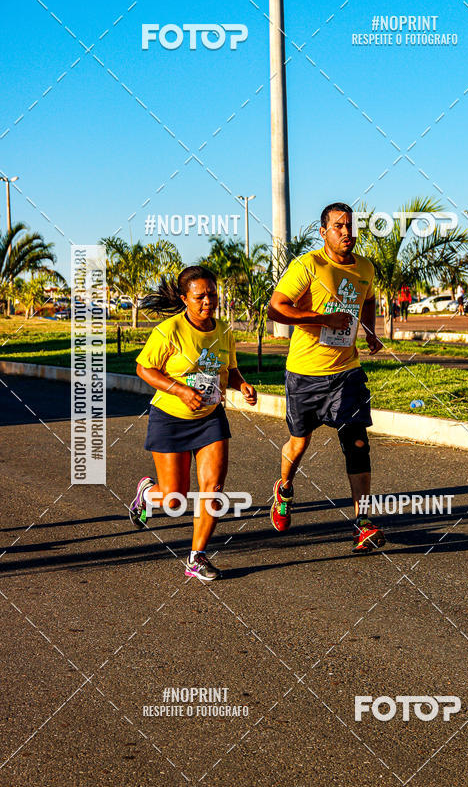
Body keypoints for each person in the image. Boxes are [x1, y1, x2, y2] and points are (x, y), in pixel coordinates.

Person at [267, 202, 386, 553]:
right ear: (323, 232)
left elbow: (367, 300)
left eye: (350, 226)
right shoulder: (308, 265)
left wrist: (369, 331)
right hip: (305, 373)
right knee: (299, 444)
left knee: (358, 443)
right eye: (339, 226)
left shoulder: (365, 267)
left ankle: (362, 523)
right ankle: (284, 489)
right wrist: (322, 319)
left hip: (346, 371)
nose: (346, 232)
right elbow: (276, 307)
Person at [129, 265, 257, 580]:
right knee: (175, 496)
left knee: (212, 488)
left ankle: (196, 557)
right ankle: (147, 493)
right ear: (185, 298)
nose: (208, 301)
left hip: (210, 417)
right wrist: (181, 390)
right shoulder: (168, 331)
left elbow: (231, 368)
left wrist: (242, 385)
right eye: (200, 296)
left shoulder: (224, 330)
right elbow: (144, 369)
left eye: (212, 294)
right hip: (170, 418)